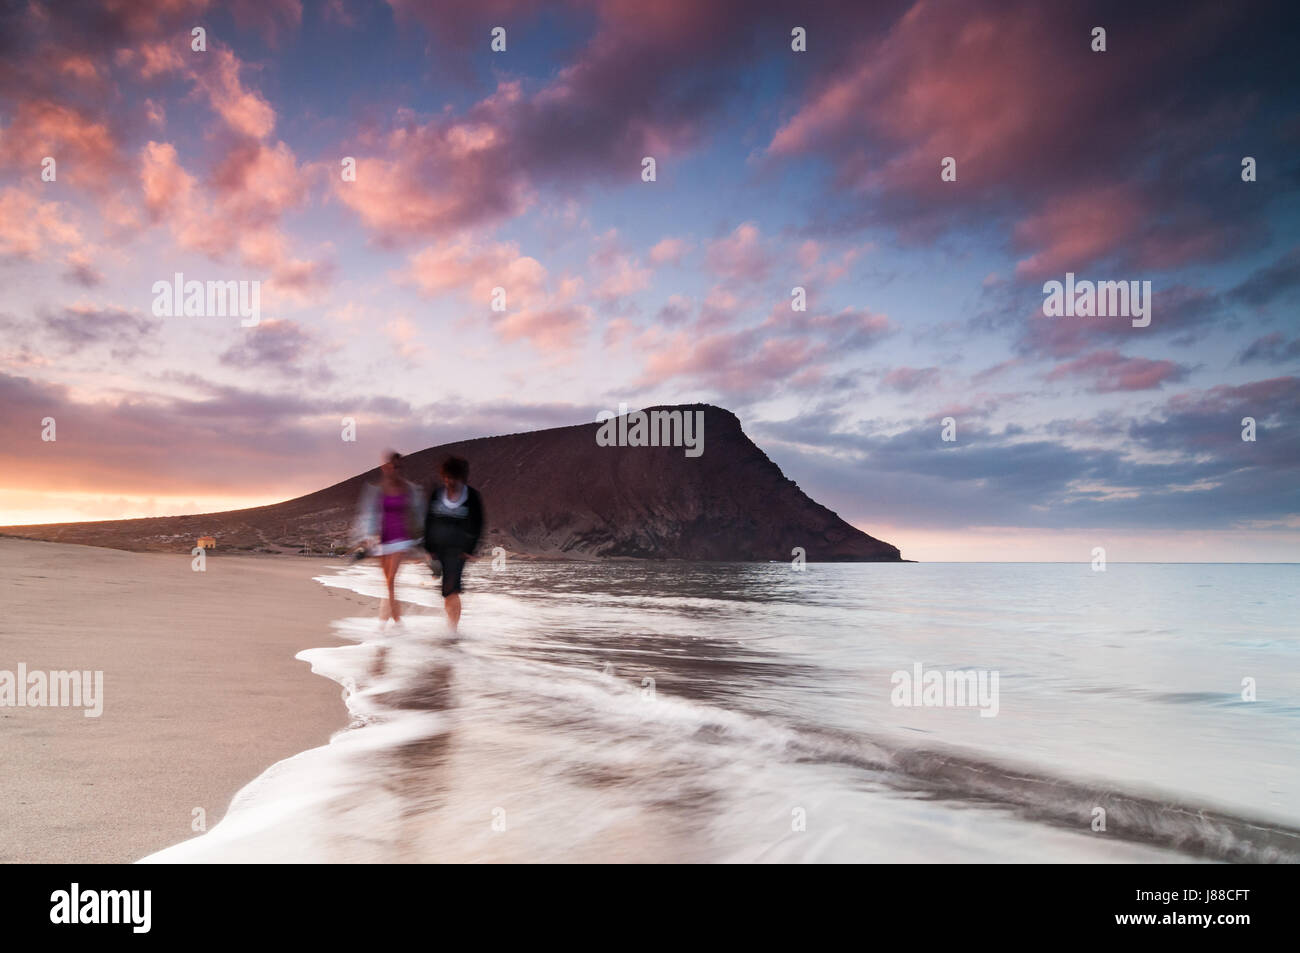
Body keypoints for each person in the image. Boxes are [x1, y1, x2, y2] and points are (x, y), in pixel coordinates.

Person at [354, 451, 425, 624]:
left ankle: (393, 624)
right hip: (382, 540)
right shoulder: (377, 490)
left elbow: (419, 515)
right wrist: (366, 539)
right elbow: (368, 516)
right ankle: (392, 622)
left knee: (391, 580)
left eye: (399, 467)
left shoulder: (410, 490)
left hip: (402, 539)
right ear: (385, 468)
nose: (396, 470)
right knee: (388, 583)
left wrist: (421, 541)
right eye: (393, 467)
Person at [423, 455, 484, 633]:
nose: (450, 481)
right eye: (447, 477)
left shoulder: (472, 496)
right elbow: (428, 520)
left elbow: (478, 523)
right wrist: (428, 548)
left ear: (462, 478)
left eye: (454, 478)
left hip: (458, 550)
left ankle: (452, 630)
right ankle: (451, 627)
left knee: (452, 587)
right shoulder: (437, 494)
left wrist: (470, 549)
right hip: (438, 547)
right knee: (445, 590)